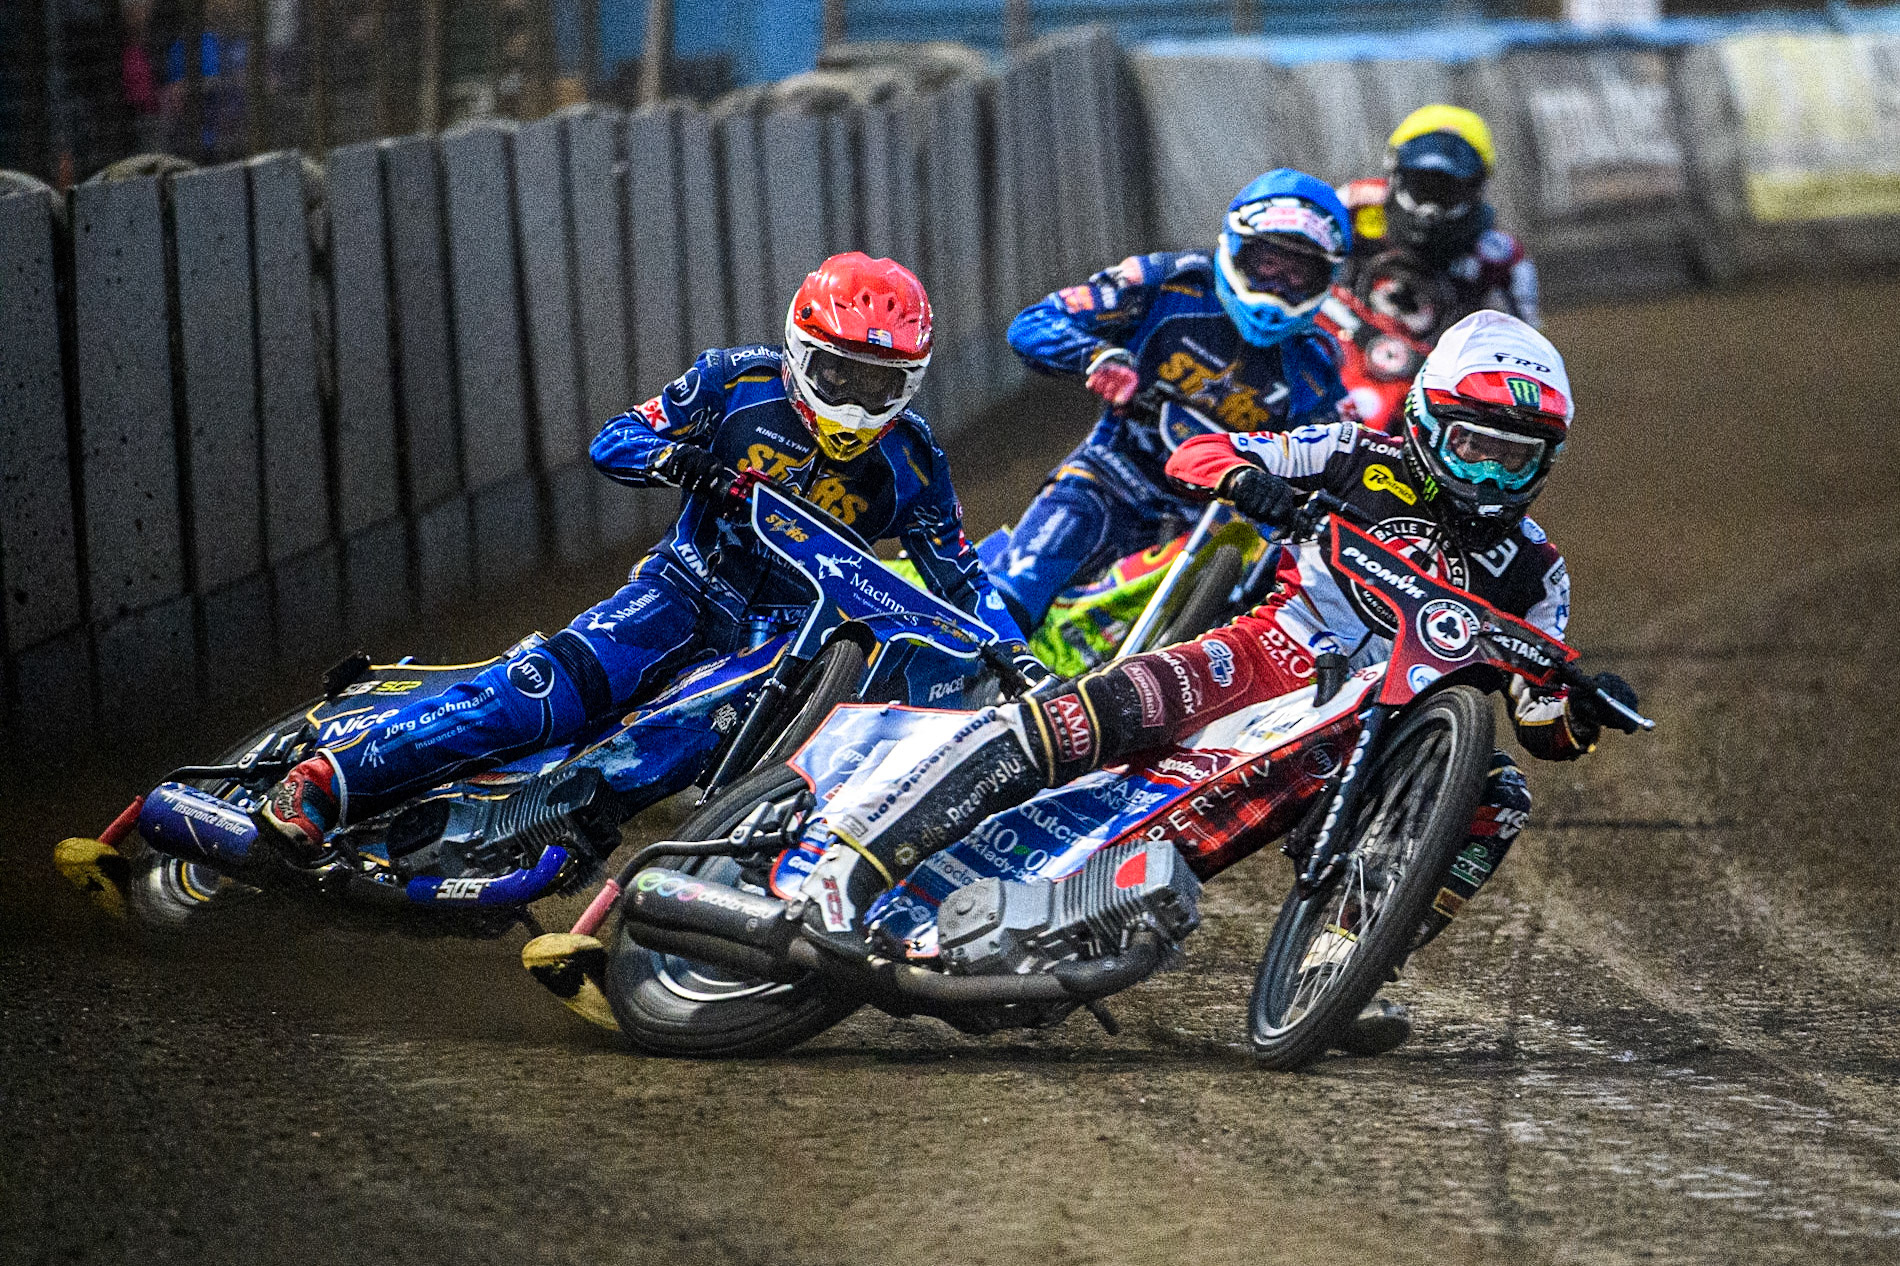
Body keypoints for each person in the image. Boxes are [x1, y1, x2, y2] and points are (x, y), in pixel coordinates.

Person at [798, 310, 1640, 1052]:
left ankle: (1346, 961)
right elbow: (1204, 451)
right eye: (1473, 450)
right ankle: (855, 863)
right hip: (1267, 653)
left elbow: (1543, 725)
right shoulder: (1353, 452)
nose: (1489, 476)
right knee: (1078, 719)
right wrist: (1249, 482)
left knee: (1502, 796)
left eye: (1513, 460)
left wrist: (1580, 707)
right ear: (1426, 419)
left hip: (1364, 746)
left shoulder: (1537, 571)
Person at [257, 253, 1029, 849]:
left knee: (672, 755)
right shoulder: (734, 382)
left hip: (781, 643)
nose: (857, 400)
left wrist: (1019, 660)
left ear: (910, 381)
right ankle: (327, 782)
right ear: (800, 349)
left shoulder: (915, 462)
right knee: (541, 694)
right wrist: (674, 461)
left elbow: (962, 578)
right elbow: (615, 438)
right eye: (840, 374)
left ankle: (562, 859)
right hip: (677, 594)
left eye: (878, 382)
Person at [990, 168, 1357, 631]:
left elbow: (1343, 461)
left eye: (1298, 274)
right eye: (1268, 264)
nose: (1278, 288)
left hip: (1216, 525)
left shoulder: (1317, 366)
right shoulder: (1167, 282)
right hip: (1111, 477)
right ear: (1238, 247)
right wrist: (1097, 356)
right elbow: (1033, 323)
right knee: (1012, 596)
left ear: (1324, 280)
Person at [1334, 105, 1539, 347]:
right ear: (1395, 175)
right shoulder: (1353, 206)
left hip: (1439, 370)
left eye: (1447, 191)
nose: (1430, 209)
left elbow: (1525, 346)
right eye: (1422, 186)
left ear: (1476, 189)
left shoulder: (1499, 257)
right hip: (1345, 351)